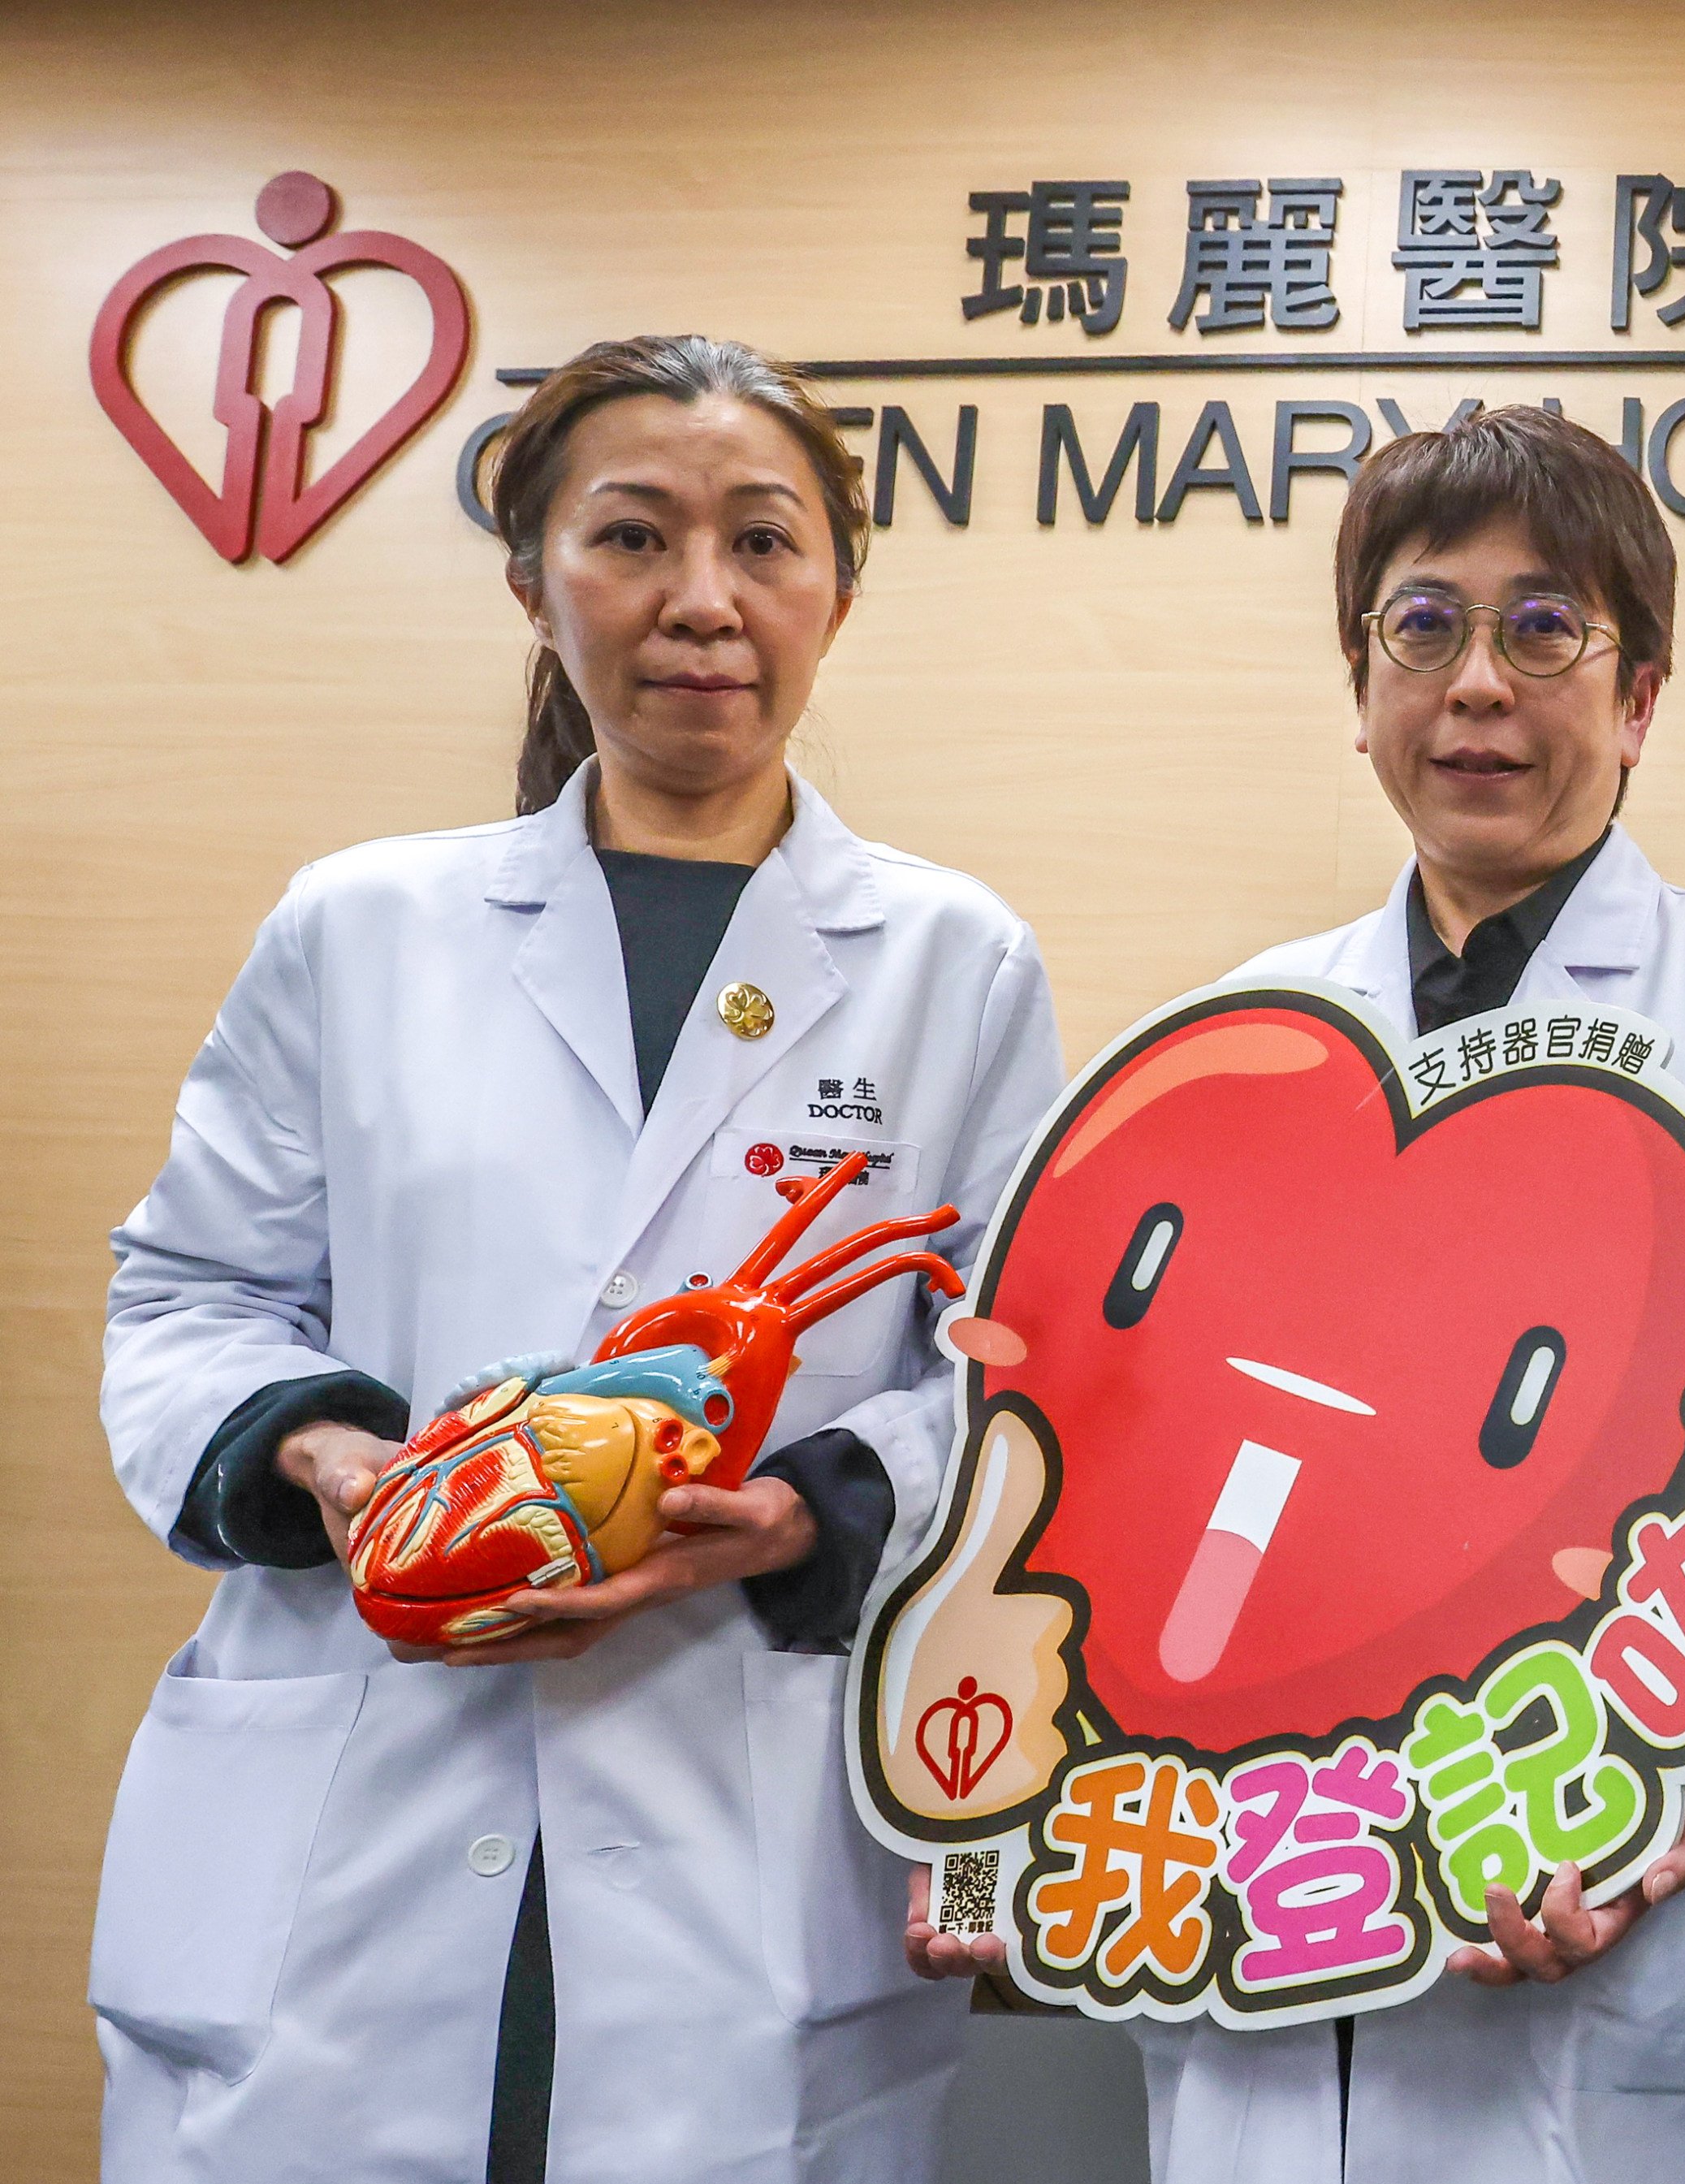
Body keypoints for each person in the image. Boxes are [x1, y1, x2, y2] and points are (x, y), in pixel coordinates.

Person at [909, 403, 1685, 2183]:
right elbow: (1108, 1470)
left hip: (1615, 1927)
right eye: (1424, 624)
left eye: (1545, 628)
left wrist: (1679, 1785)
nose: (1478, 683)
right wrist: (1021, 1788)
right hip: (1275, 1899)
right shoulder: (1240, 1040)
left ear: (1636, 700)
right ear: (1359, 682)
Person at [92, 334, 1064, 2183]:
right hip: (356, 1820)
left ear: (836, 594)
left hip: (737, 1813)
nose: (702, 603)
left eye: (763, 544)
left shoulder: (956, 962)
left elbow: (1017, 1378)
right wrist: (333, 1458)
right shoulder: (359, 927)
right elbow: (189, 1294)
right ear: (533, 583)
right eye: (632, 538)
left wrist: (803, 1509)